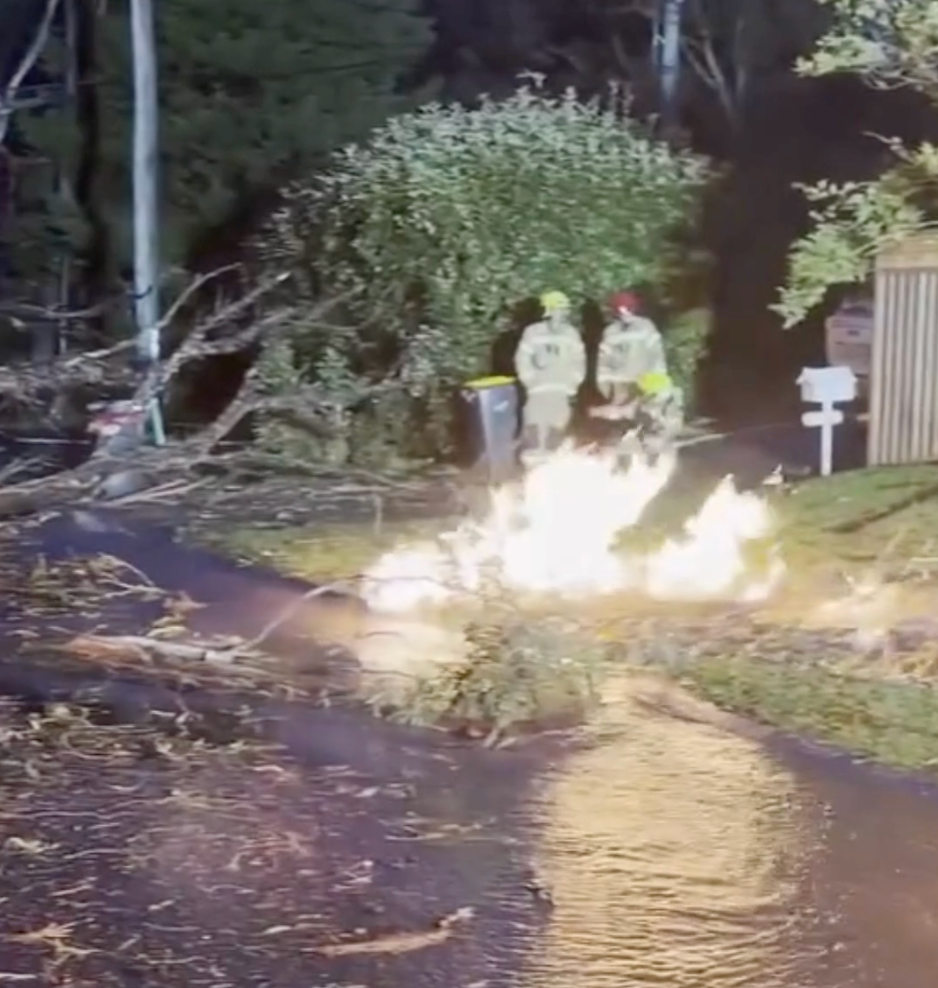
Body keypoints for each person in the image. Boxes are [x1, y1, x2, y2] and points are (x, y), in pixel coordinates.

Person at [594, 292, 683, 457]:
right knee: (620, 421)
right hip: (619, 384)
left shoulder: (646, 327)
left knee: (648, 416)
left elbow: (656, 356)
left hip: (644, 382)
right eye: (620, 311)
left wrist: (656, 382)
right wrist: (605, 386)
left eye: (628, 310)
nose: (624, 314)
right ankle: (618, 457)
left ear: (634, 309)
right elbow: (604, 362)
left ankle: (650, 453)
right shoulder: (610, 332)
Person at [514, 290, 586, 455]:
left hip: (561, 392)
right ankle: (532, 464)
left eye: (563, 309)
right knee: (534, 427)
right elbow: (522, 359)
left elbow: (579, 361)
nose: (560, 313)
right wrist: (530, 380)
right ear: (548, 311)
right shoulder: (533, 332)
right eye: (557, 309)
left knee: (557, 428)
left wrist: (572, 384)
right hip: (537, 391)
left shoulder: (571, 334)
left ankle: (551, 464)